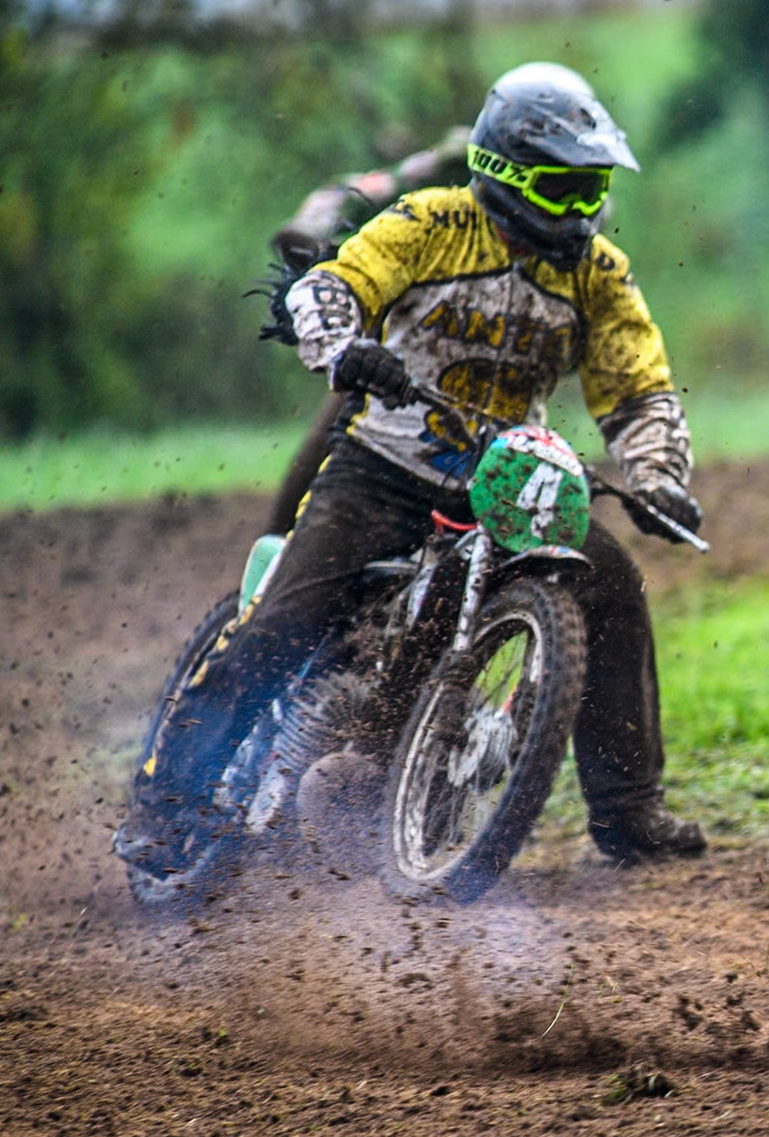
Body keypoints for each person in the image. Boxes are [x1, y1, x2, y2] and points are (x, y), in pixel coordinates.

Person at [118, 61, 707, 872]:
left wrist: (658, 476)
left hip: (503, 478)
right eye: (562, 189)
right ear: (504, 173)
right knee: (285, 622)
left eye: (591, 190)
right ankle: (166, 803)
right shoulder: (430, 223)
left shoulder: (598, 272)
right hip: (381, 466)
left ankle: (629, 807)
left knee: (610, 580)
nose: (580, 211)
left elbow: (639, 388)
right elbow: (336, 282)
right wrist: (343, 345)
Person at [260, 128, 473, 535]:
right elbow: (356, 190)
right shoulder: (458, 159)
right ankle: (274, 563)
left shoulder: (586, 208)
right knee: (343, 429)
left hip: (497, 359)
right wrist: (315, 240)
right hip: (399, 326)